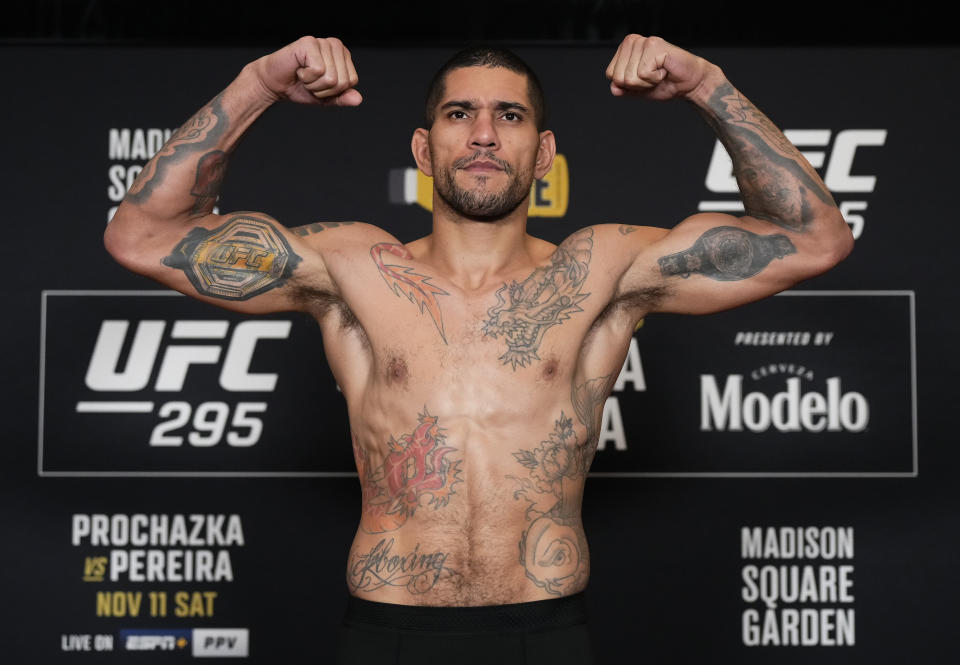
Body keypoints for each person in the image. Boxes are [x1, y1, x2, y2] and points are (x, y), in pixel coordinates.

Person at [104, 34, 853, 664]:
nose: (486, 134)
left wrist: (708, 85)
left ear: (545, 148)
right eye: (461, 114)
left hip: (545, 628)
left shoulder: (598, 270)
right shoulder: (355, 267)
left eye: (510, 115)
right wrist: (257, 83)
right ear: (425, 149)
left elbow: (814, 239)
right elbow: (141, 236)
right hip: (388, 630)